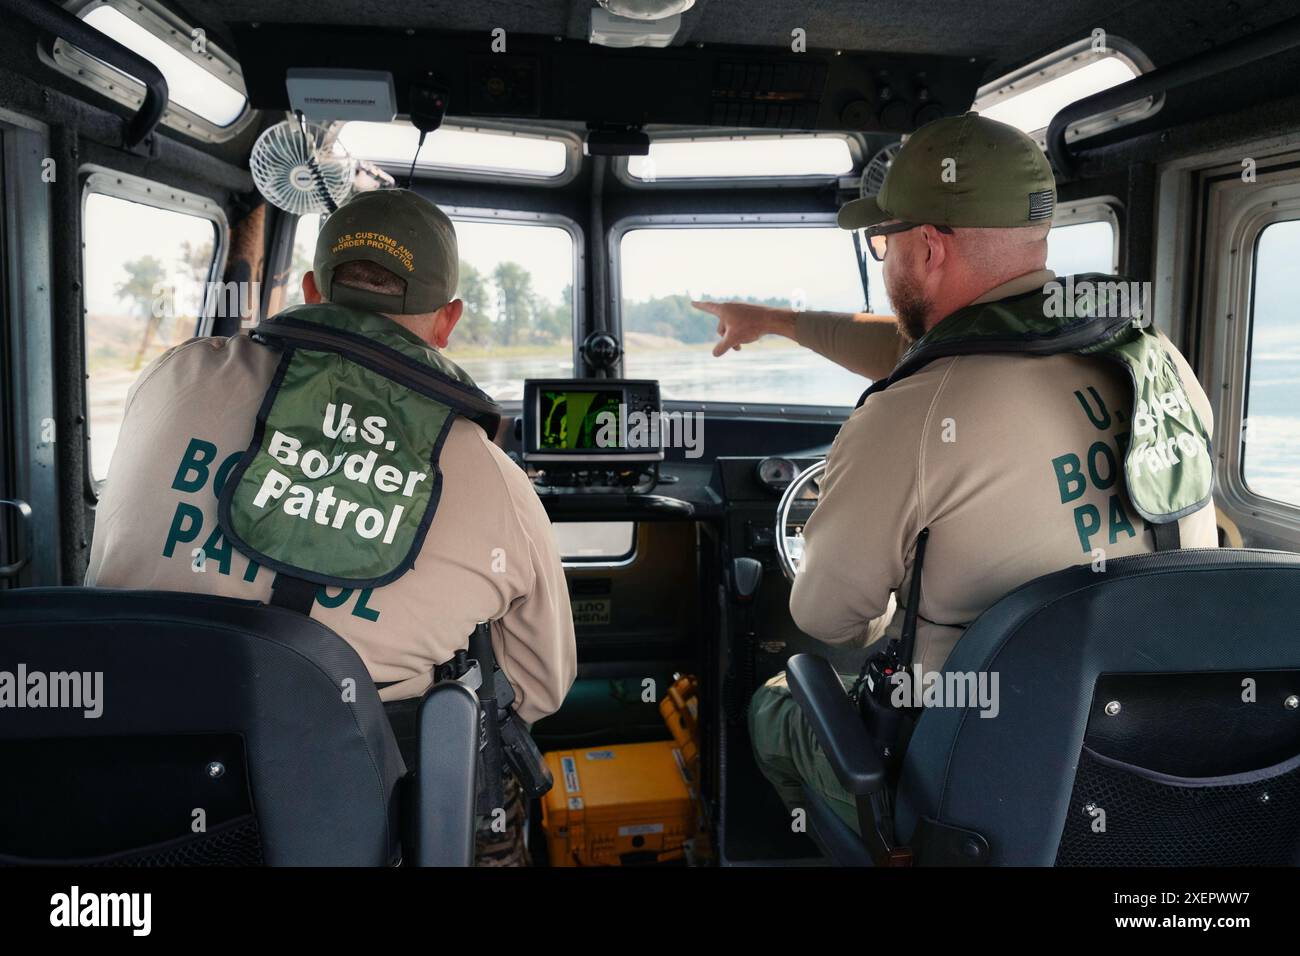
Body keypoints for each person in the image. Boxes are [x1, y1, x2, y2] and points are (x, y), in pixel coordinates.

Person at [697, 112, 1218, 832]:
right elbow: (934, 353)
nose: (883, 262)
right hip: (1163, 767)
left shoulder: (911, 413)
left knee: (777, 703)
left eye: (885, 241)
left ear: (928, 247)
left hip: (977, 781)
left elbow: (829, 620)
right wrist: (781, 322)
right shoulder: (1154, 360)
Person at [86, 188, 577, 863]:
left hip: (124, 809)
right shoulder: (494, 479)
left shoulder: (178, 377)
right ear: (448, 321)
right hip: (348, 819)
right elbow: (538, 688)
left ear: (315, 288)